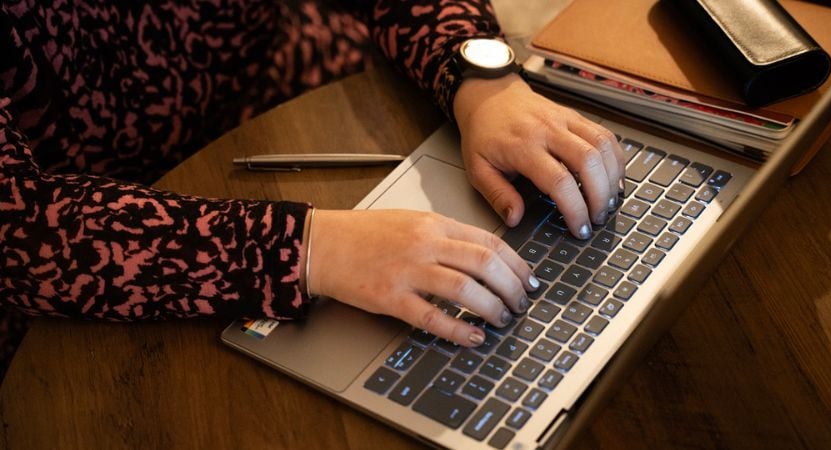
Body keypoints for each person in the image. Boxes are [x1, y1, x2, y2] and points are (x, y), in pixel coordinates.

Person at [0, 0, 624, 379]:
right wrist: (309, 248)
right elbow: (19, 229)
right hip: (95, 268)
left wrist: (475, 75)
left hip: (293, 81)